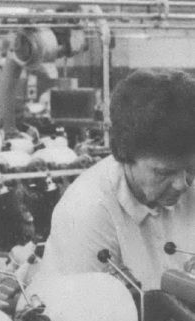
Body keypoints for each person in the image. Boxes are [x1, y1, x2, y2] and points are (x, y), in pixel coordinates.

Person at [39, 69, 195, 290]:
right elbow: (96, 315)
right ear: (125, 156)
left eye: (190, 168)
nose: (183, 184)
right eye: (163, 173)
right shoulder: (87, 210)